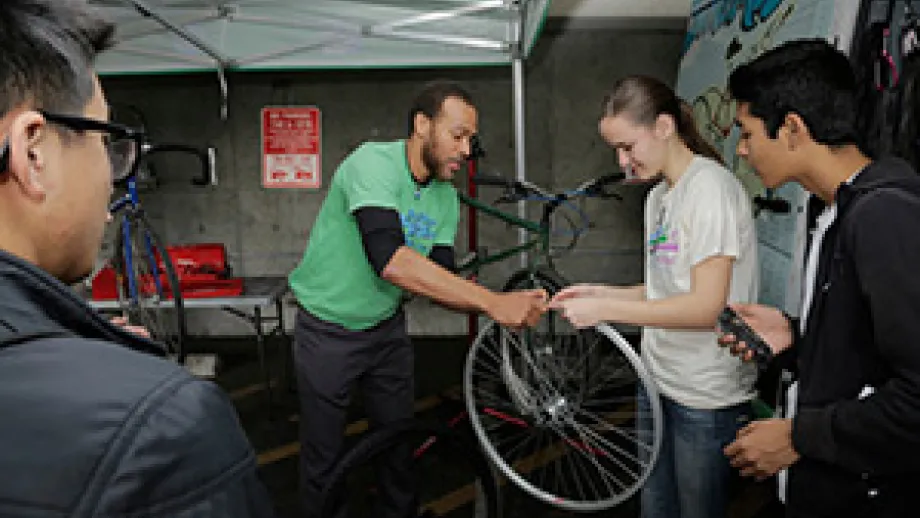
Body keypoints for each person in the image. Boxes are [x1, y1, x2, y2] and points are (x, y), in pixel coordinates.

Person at [0, 1, 276, 516]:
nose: (111, 175)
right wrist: (135, 391)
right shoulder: (162, 428)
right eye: (105, 139)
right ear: (32, 153)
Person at [288, 79, 546, 518]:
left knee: (398, 445)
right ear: (422, 125)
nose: (467, 150)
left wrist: (510, 300)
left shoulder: (446, 197)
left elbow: (439, 280)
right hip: (327, 332)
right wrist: (492, 303)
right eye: (458, 135)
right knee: (324, 457)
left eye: (471, 139)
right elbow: (388, 259)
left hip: (386, 331)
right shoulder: (372, 164)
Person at [719, 38, 920, 518]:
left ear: (791, 129)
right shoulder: (827, 210)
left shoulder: (884, 216)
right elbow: (869, 356)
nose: (743, 151)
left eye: (747, 134)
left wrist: (797, 437)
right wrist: (796, 335)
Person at [548, 75, 760, 518]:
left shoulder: (710, 190)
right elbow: (666, 288)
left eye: (628, 146)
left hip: (704, 395)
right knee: (656, 507)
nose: (623, 162)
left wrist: (606, 309)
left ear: (664, 127)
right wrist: (600, 291)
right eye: (616, 151)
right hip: (656, 379)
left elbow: (705, 307)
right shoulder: (659, 197)